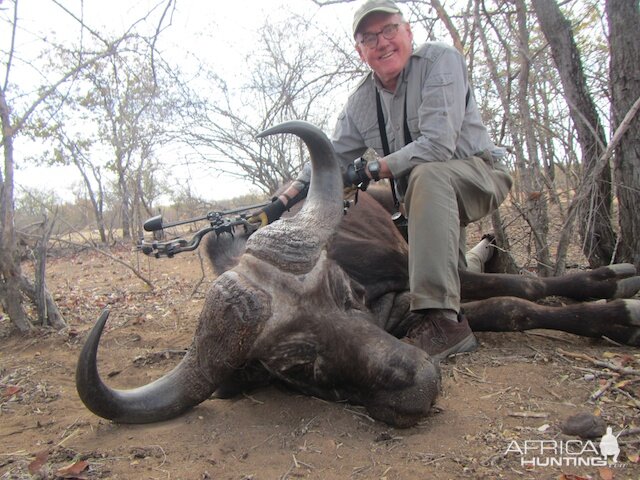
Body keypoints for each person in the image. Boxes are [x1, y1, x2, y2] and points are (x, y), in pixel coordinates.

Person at [250, 0, 512, 359]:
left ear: (408, 32)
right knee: (456, 277)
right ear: (360, 52)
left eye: (390, 29)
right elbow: (330, 158)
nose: (382, 42)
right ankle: (485, 253)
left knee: (426, 174)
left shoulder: (440, 61)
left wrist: (370, 170)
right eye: (369, 38)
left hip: (476, 175)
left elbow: (436, 146)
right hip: (426, 201)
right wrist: (281, 201)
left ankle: (444, 326)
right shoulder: (360, 102)